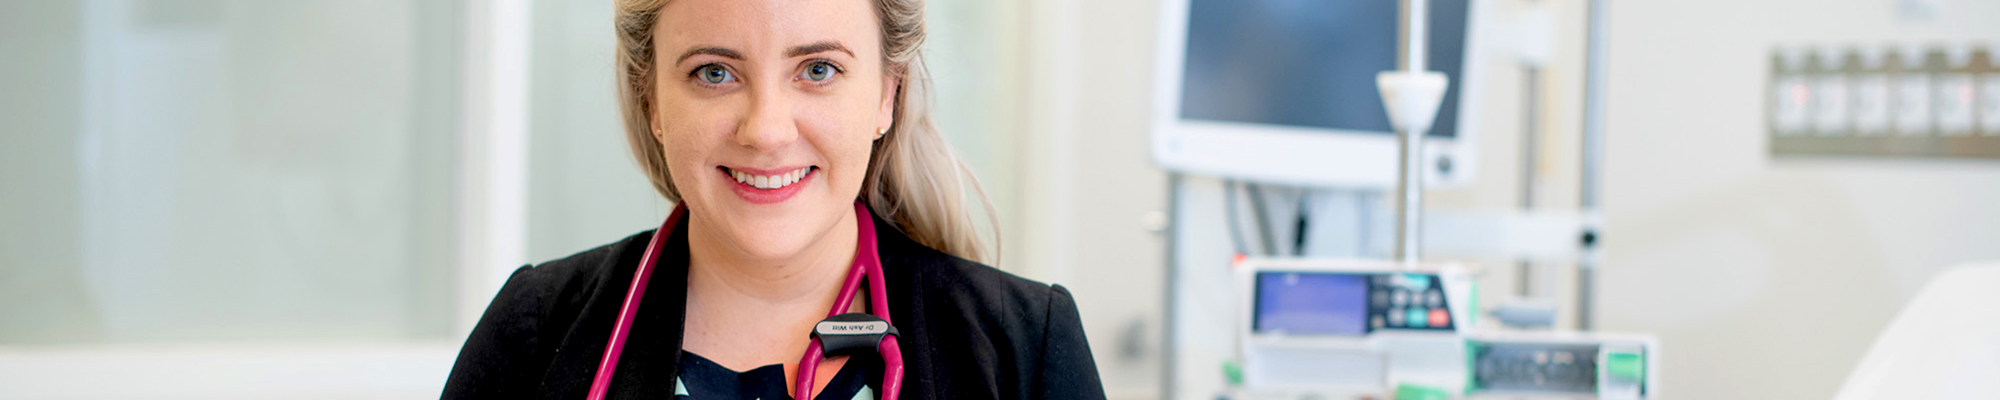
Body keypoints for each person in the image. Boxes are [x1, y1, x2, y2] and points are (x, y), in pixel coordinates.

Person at [440, 0, 1106, 398]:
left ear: (886, 93)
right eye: (714, 72)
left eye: (818, 70)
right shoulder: (535, 334)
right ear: (652, 100)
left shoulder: (1023, 347)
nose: (765, 129)